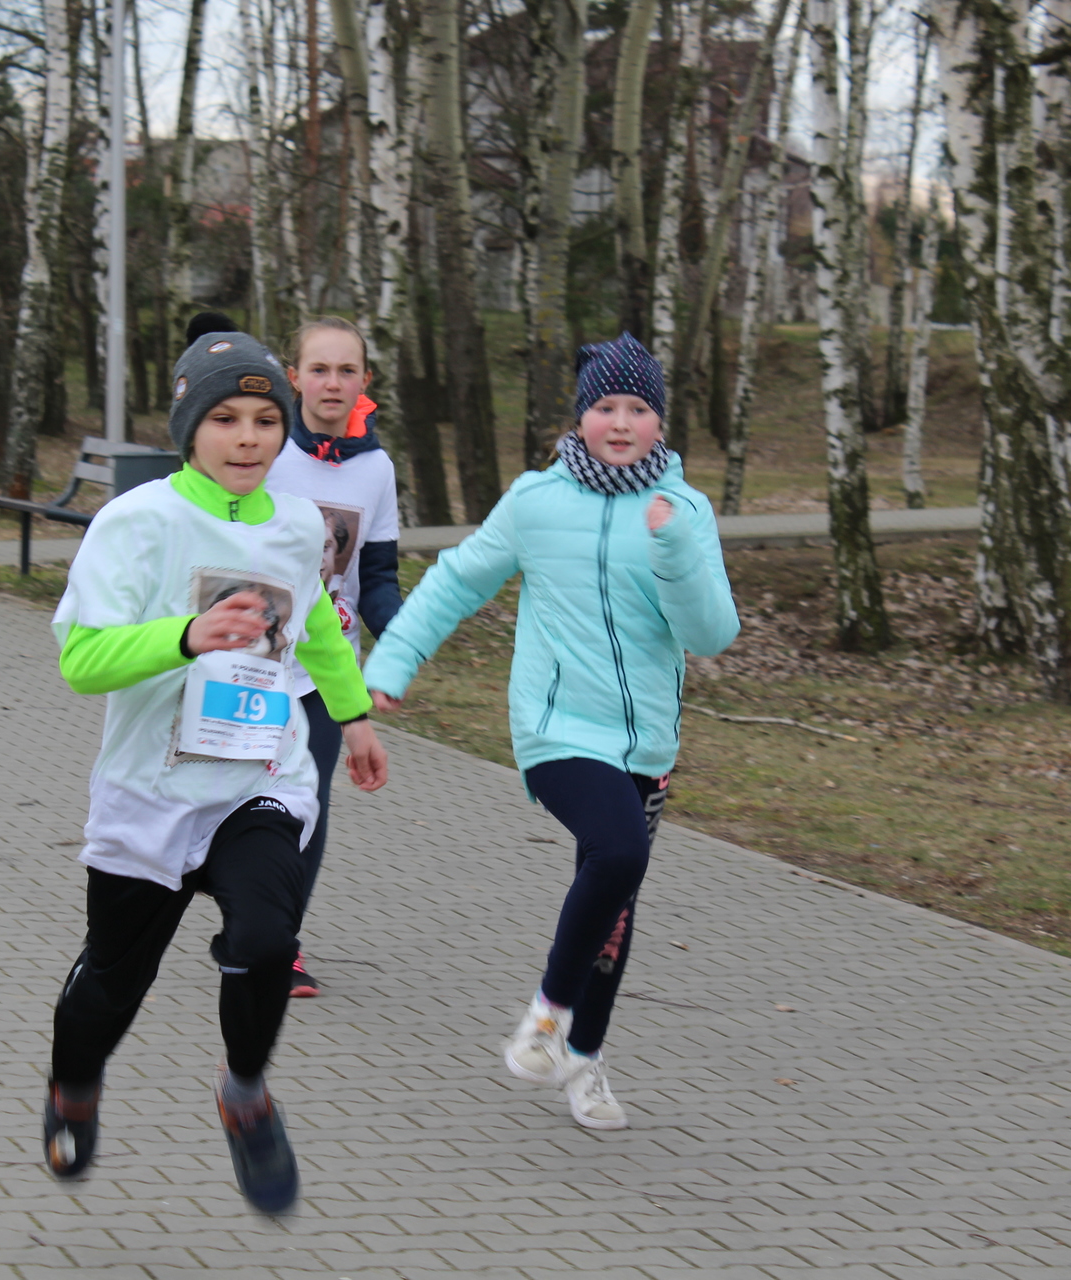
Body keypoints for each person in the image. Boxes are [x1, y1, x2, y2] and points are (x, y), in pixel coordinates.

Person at [44, 328, 390, 1214]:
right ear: (190, 427)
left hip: (257, 776)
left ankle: (246, 1094)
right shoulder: (138, 521)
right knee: (114, 981)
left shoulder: (299, 523)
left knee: (268, 940)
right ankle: (74, 1086)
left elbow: (316, 627)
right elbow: (82, 662)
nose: (247, 438)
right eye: (226, 418)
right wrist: (187, 636)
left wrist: (352, 715)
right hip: (151, 788)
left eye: (265, 421)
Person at [363, 332, 739, 1131]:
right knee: (620, 853)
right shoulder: (535, 502)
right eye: (605, 406)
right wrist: (392, 662)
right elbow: (456, 582)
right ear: (579, 417)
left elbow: (710, 634)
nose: (621, 422)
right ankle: (546, 1014)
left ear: (660, 422)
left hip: (646, 741)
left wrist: (673, 547)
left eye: (638, 408)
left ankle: (584, 1058)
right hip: (556, 727)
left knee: (614, 902)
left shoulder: (685, 512)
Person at [250, 312, 403, 999]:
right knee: (240, 801)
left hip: (324, 672)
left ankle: (277, 944)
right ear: (295, 378)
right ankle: (244, 914)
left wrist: (401, 641)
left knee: (306, 805)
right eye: (319, 369)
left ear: (365, 380)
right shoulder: (266, 449)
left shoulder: (377, 469)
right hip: (251, 661)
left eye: (347, 370)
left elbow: (378, 578)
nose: (333, 382)